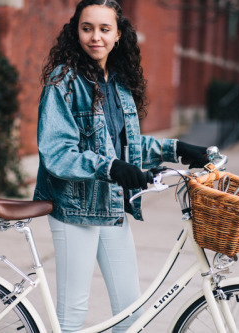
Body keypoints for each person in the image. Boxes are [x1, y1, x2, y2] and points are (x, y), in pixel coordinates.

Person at [34, 0, 207, 332]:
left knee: (130, 312)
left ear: (117, 35)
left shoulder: (118, 82)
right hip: (75, 209)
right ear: (75, 32)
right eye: (87, 29)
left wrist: (179, 149)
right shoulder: (64, 81)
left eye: (104, 29)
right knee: (72, 313)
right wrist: (111, 168)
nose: (95, 37)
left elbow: (128, 145)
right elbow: (57, 153)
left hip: (111, 206)